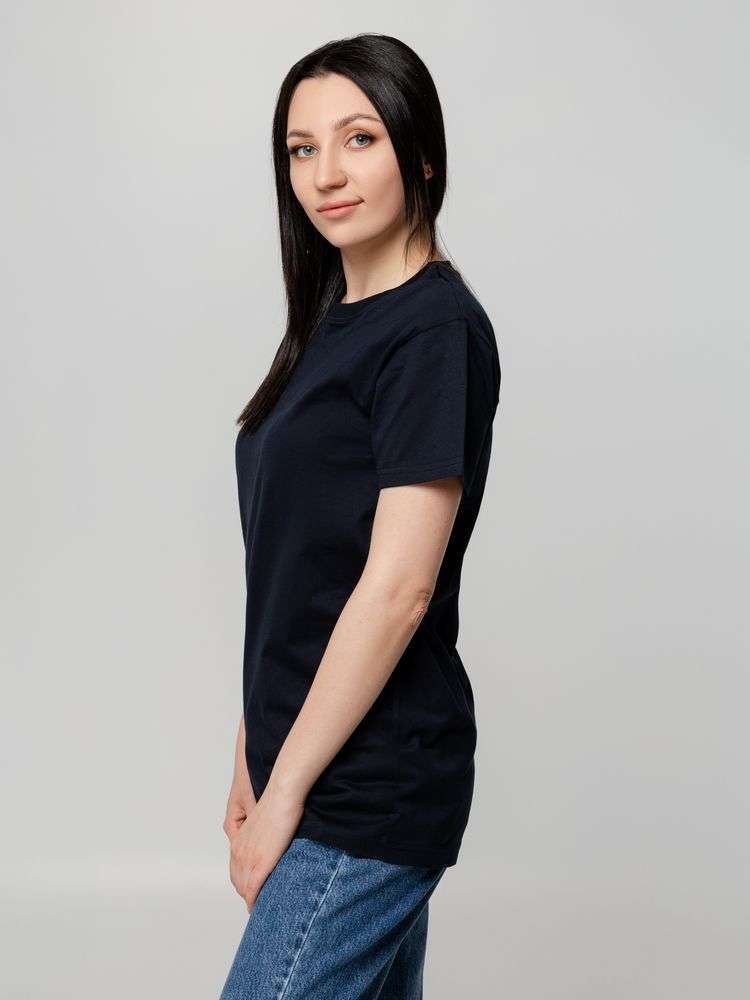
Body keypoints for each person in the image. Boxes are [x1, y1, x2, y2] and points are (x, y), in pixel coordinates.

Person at [219, 32, 501, 1000]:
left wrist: (286, 792)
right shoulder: (329, 326)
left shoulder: (433, 331)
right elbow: (297, 574)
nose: (325, 174)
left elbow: (396, 589)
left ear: (420, 154)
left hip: (370, 786)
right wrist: (252, 755)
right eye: (301, 149)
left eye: (359, 138)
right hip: (311, 761)